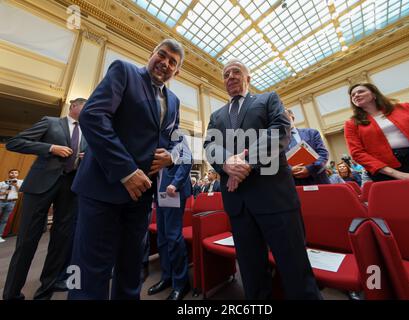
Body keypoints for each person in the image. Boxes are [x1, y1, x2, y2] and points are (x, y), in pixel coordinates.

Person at [68, 39, 184, 300]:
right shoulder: (124, 71)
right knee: (89, 271)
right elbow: (93, 116)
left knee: (132, 269)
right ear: (151, 54)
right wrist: (126, 171)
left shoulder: (174, 101)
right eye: (162, 55)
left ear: (176, 72)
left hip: (141, 197)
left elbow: (174, 139)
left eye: (172, 62)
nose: (165, 63)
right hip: (103, 190)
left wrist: (171, 156)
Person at [203, 58, 321, 300]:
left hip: (274, 197)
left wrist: (246, 163)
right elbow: (209, 144)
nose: (230, 77)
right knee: (251, 272)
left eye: (236, 72)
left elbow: (280, 129)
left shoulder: (268, 99)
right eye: (226, 74)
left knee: (295, 268)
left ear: (248, 78)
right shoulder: (217, 116)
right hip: (238, 203)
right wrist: (227, 163)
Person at [3, 98, 87, 300]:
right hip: (41, 185)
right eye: (86, 106)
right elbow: (15, 143)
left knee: (60, 242)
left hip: (71, 188)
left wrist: (86, 158)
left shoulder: (90, 132)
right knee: (26, 243)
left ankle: (45, 293)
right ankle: (11, 293)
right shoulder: (51, 122)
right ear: (73, 106)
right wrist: (50, 148)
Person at [344, 83, 409, 181]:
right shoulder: (351, 123)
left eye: (361, 91)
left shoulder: (406, 108)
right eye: (352, 95)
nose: (356, 95)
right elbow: (357, 153)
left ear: (374, 94)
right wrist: (397, 174)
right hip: (386, 172)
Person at [147, 138, 192, 300]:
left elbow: (187, 160)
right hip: (158, 193)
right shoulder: (155, 135)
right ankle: (167, 277)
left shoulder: (177, 134)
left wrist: (176, 183)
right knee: (162, 238)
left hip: (173, 191)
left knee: (173, 237)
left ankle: (181, 282)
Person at [285, 109, 330, 185]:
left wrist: (309, 169)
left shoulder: (312, 133)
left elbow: (323, 154)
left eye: (284, 115)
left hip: (317, 180)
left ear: (292, 116)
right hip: (294, 185)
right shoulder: (276, 142)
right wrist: (290, 170)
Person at [0, 169, 23, 242]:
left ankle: (0, 236)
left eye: (16, 173)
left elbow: (21, 192)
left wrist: (15, 185)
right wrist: (3, 193)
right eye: (12, 173)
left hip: (11, 202)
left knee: (4, 220)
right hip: (1, 201)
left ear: (18, 174)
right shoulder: (2, 183)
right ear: (9, 174)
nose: (13, 174)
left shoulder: (20, 182)